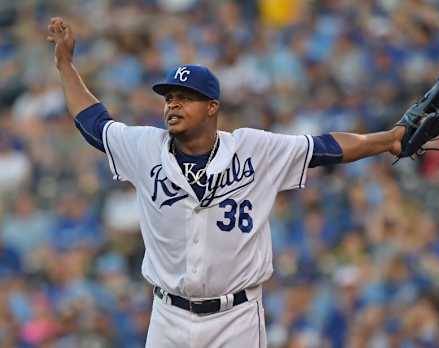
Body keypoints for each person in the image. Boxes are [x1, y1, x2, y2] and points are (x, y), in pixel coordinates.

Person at [47, 17, 406, 348]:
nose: (172, 105)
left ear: (212, 107)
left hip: (236, 317)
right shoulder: (144, 147)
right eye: (169, 98)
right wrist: (65, 65)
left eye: (185, 98)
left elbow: (326, 148)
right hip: (167, 316)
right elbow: (95, 124)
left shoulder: (253, 148)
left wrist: (388, 139)